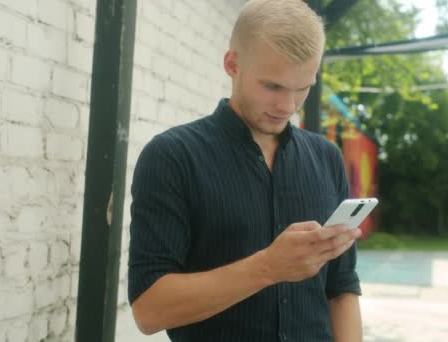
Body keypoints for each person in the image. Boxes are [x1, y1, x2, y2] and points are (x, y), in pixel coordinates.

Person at [128, 0, 363, 341]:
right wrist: (267, 267)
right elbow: (149, 311)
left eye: (303, 88)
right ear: (232, 64)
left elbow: (341, 288)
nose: (288, 106)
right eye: (272, 86)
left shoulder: (327, 158)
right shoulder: (172, 157)